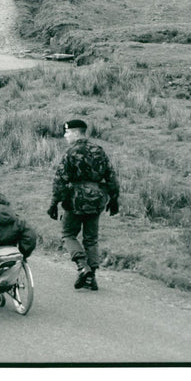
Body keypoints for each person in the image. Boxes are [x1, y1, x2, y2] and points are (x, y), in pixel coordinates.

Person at [47, 119, 120, 291]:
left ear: (75, 132)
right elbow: (111, 177)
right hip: (96, 200)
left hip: (75, 200)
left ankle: (82, 266)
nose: (65, 136)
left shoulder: (70, 153)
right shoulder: (99, 151)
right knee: (91, 239)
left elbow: (60, 181)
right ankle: (91, 277)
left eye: (67, 133)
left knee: (68, 233)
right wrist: (114, 199)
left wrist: (53, 203)